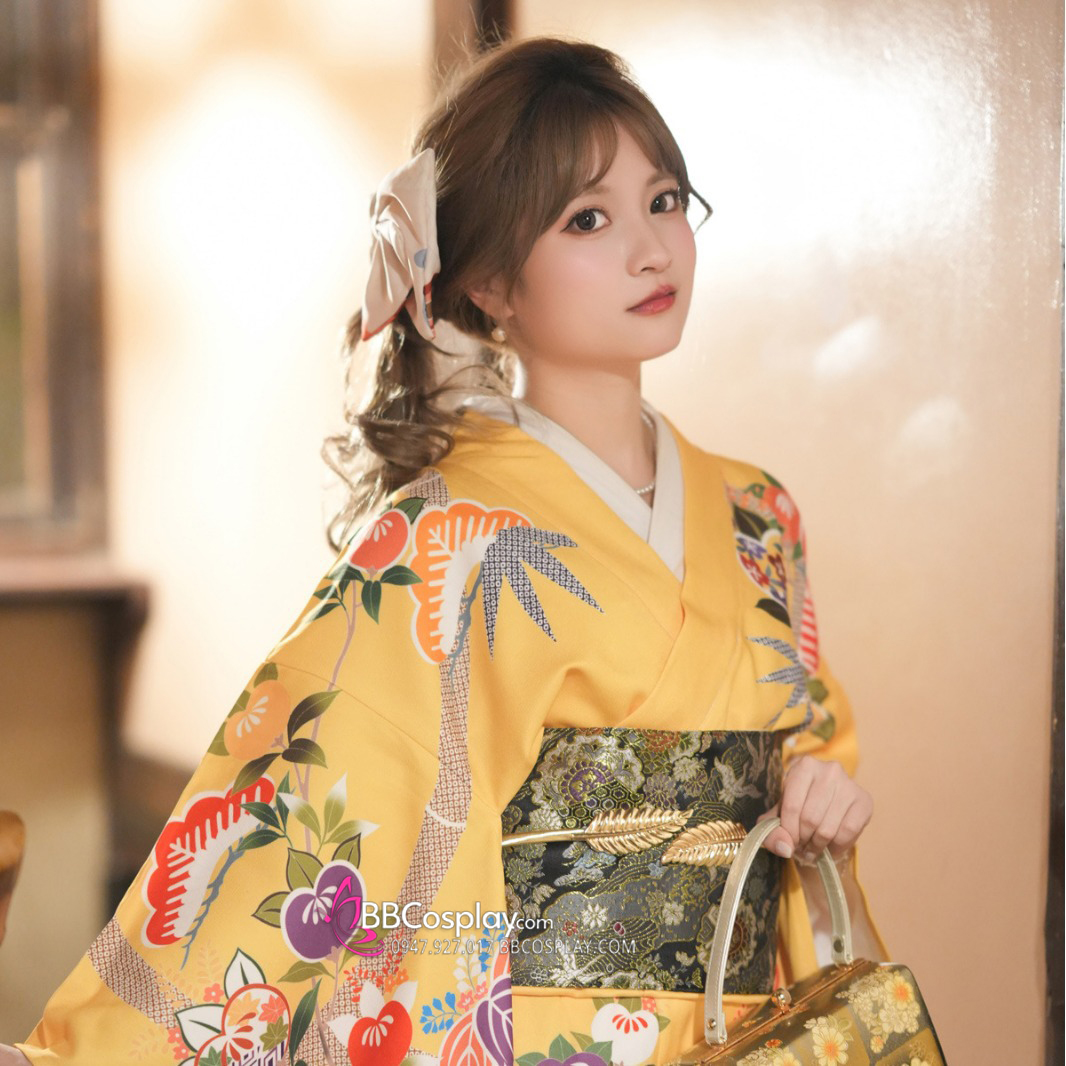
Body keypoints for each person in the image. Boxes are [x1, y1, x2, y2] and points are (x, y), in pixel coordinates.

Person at [7, 35, 887, 1066]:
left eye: (663, 201)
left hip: (746, 1030)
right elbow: (321, 799)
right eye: (588, 219)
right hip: (546, 1038)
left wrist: (818, 800)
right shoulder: (440, 534)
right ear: (489, 284)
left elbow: (809, 744)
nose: (652, 249)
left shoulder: (757, 513)